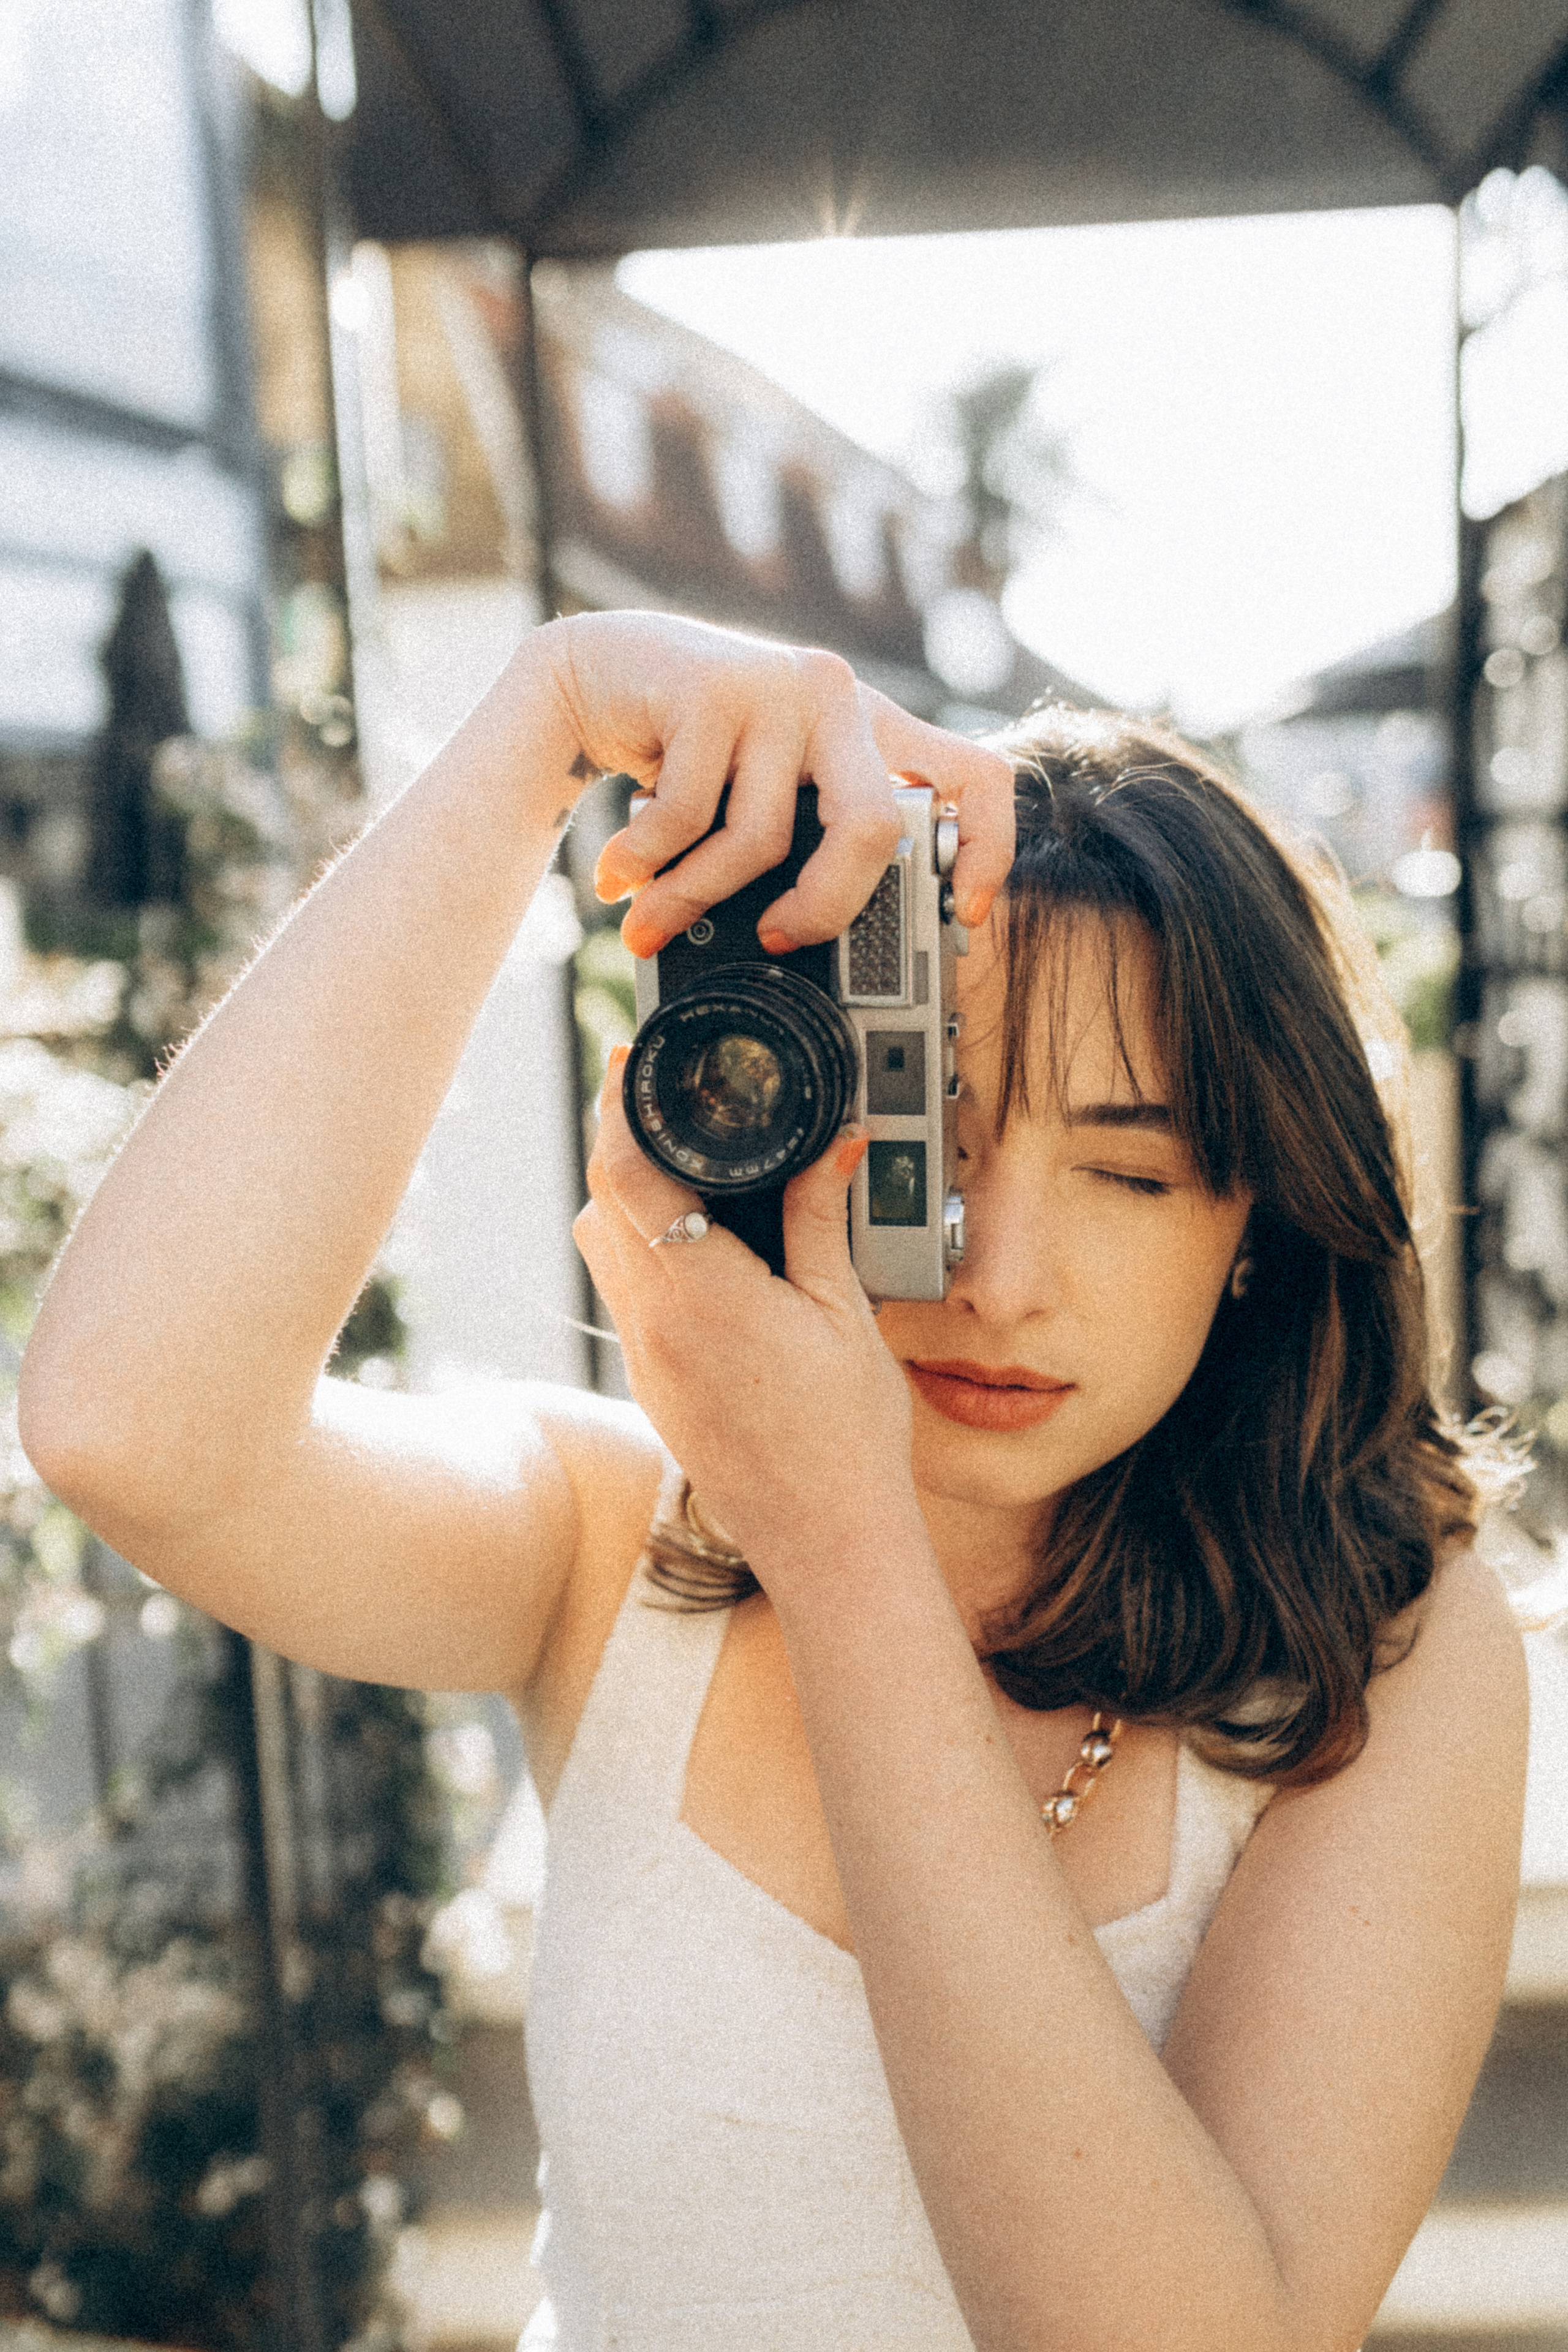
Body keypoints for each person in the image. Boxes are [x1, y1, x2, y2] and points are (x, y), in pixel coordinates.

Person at [19, 610, 1526, 2352]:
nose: (1004, 1271)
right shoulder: (610, 1538)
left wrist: (846, 1544)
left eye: (1128, 1172)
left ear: (1257, 1221)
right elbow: (131, 1426)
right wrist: (544, 725)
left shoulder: (1386, 1655)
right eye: (926, 1141)